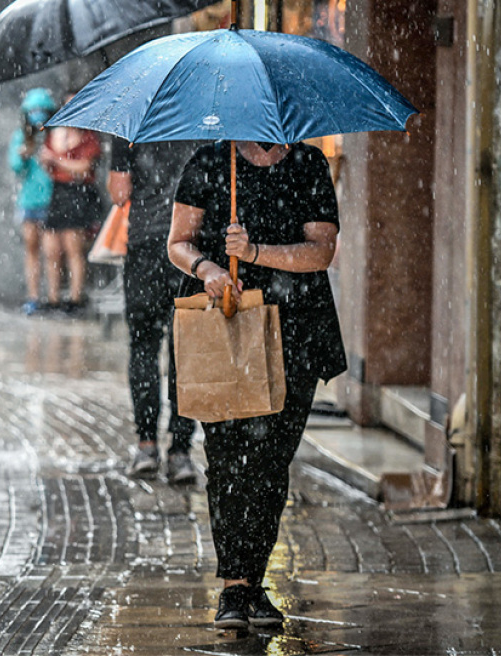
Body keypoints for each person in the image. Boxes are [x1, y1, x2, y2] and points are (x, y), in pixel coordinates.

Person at [168, 140, 346, 629]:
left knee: (270, 463)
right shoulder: (209, 162)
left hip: (296, 335)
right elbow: (179, 243)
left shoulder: (308, 163)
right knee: (226, 458)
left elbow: (321, 251)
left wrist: (255, 252)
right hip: (226, 328)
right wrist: (207, 268)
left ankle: (253, 580)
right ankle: (234, 588)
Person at [107, 139, 199, 483]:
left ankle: (146, 446)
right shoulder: (204, 115)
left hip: (145, 247)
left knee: (144, 346)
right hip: (191, 251)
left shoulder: (133, 123)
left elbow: (119, 194)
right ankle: (180, 452)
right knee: (185, 352)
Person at [39, 94, 101, 313]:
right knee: (51, 248)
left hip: (78, 194)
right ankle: (53, 297)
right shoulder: (55, 134)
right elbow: (50, 164)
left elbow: (84, 168)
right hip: (59, 192)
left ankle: (75, 297)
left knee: (73, 247)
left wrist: (58, 161)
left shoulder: (88, 137)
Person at [8, 88, 56, 314]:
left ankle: (53, 296)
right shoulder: (21, 136)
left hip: (51, 199)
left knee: (51, 251)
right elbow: (15, 167)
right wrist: (23, 155)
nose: (38, 115)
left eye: (42, 110)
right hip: (29, 201)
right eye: (34, 111)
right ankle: (34, 296)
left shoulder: (54, 135)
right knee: (32, 250)